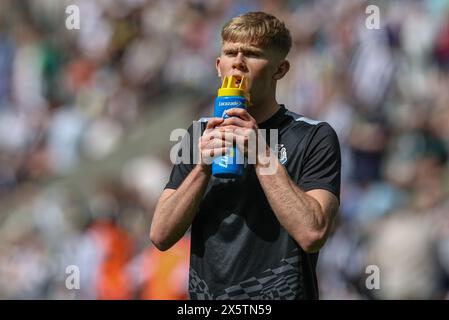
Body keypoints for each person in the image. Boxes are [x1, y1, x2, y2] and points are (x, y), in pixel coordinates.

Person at [150, 11, 341, 300]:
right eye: (230, 53)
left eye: (252, 54)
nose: (238, 62)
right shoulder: (199, 134)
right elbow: (161, 235)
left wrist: (261, 153)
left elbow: (312, 234)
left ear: (280, 69)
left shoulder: (313, 136)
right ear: (218, 66)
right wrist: (202, 168)